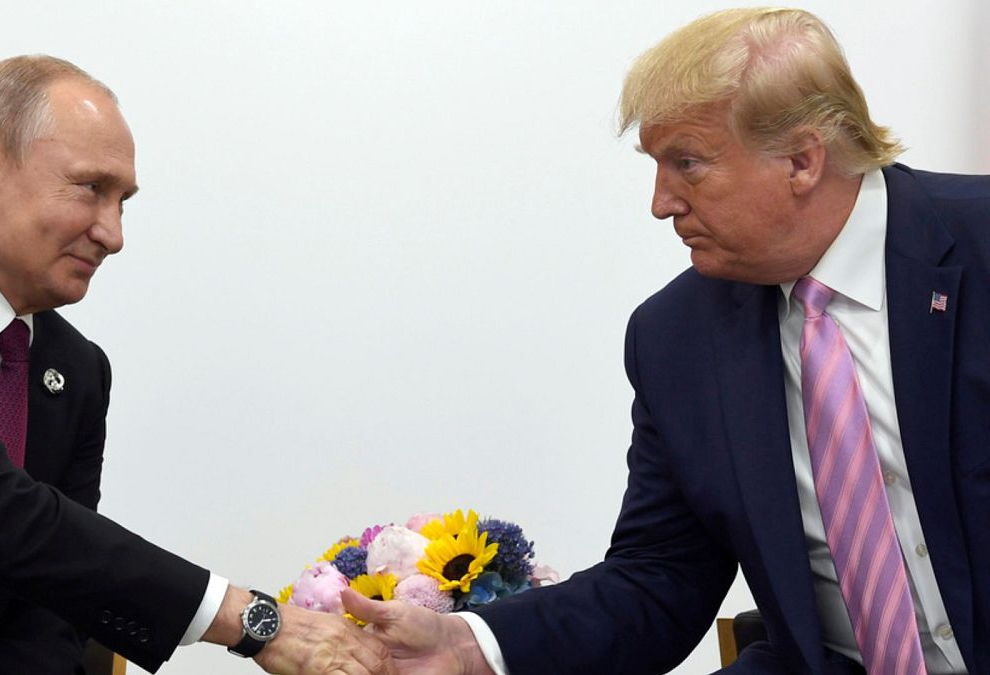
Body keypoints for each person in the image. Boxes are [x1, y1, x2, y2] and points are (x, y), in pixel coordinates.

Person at [345, 7, 988, 674]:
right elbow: (659, 579)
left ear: (802, 159)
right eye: (657, 165)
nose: (661, 202)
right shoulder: (676, 338)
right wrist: (468, 642)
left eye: (688, 163)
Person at [0, 55, 393, 675]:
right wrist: (249, 621)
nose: (113, 233)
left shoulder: (72, 368)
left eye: (123, 201)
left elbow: (46, 603)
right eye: (91, 188)